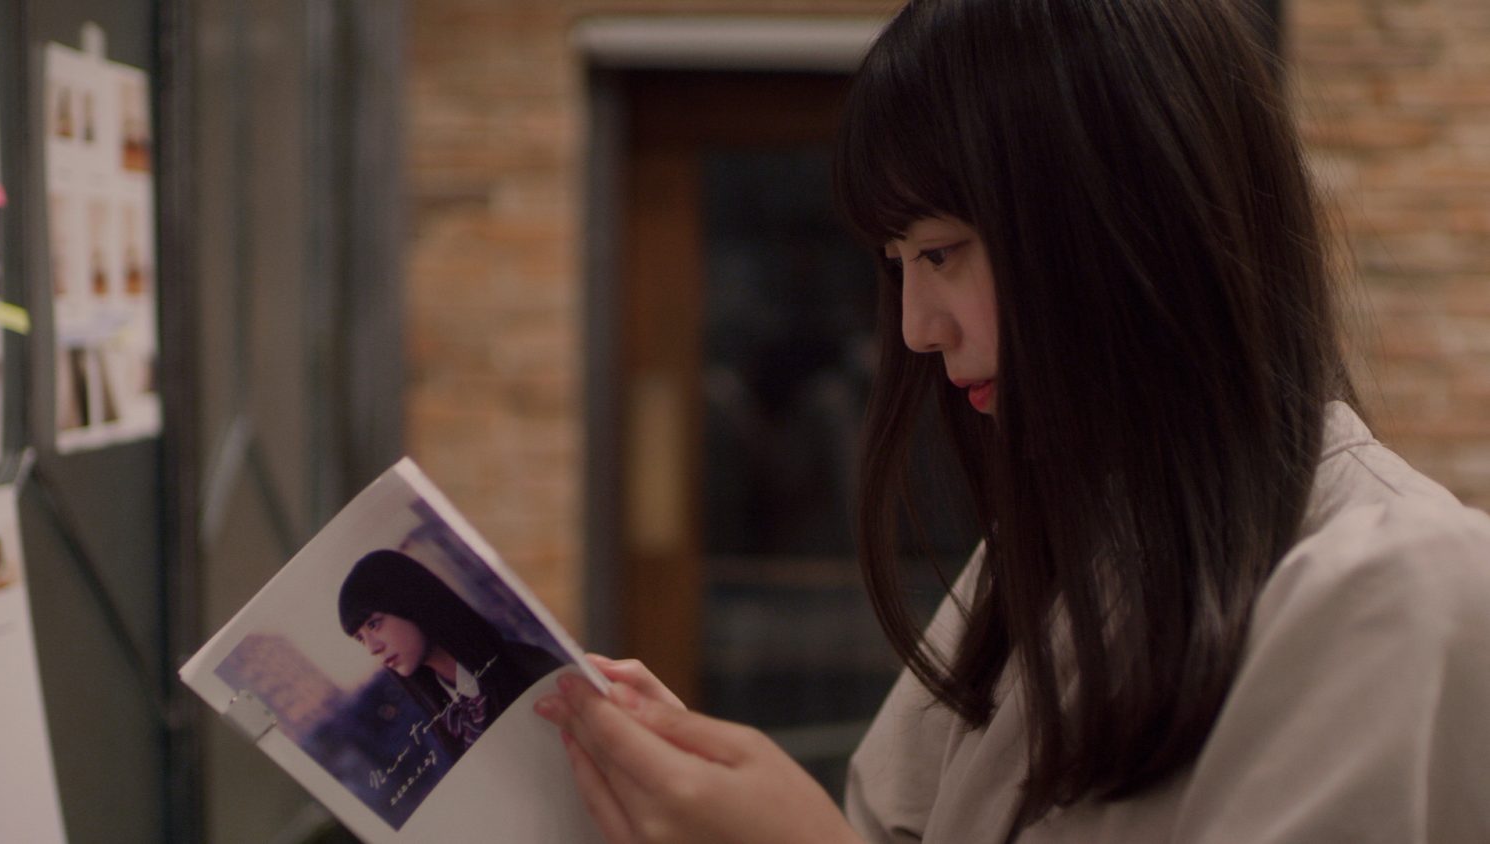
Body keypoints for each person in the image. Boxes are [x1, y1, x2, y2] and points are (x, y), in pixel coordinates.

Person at [534, 0, 1490, 841]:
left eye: (941, 253)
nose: (917, 328)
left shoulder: (1398, 586)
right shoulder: (1050, 558)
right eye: (898, 264)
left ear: (1125, 220)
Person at [338, 549, 564, 760]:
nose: (372, 648)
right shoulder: (444, 724)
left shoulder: (524, 663)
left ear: (409, 600)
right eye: (360, 638)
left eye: (374, 624)